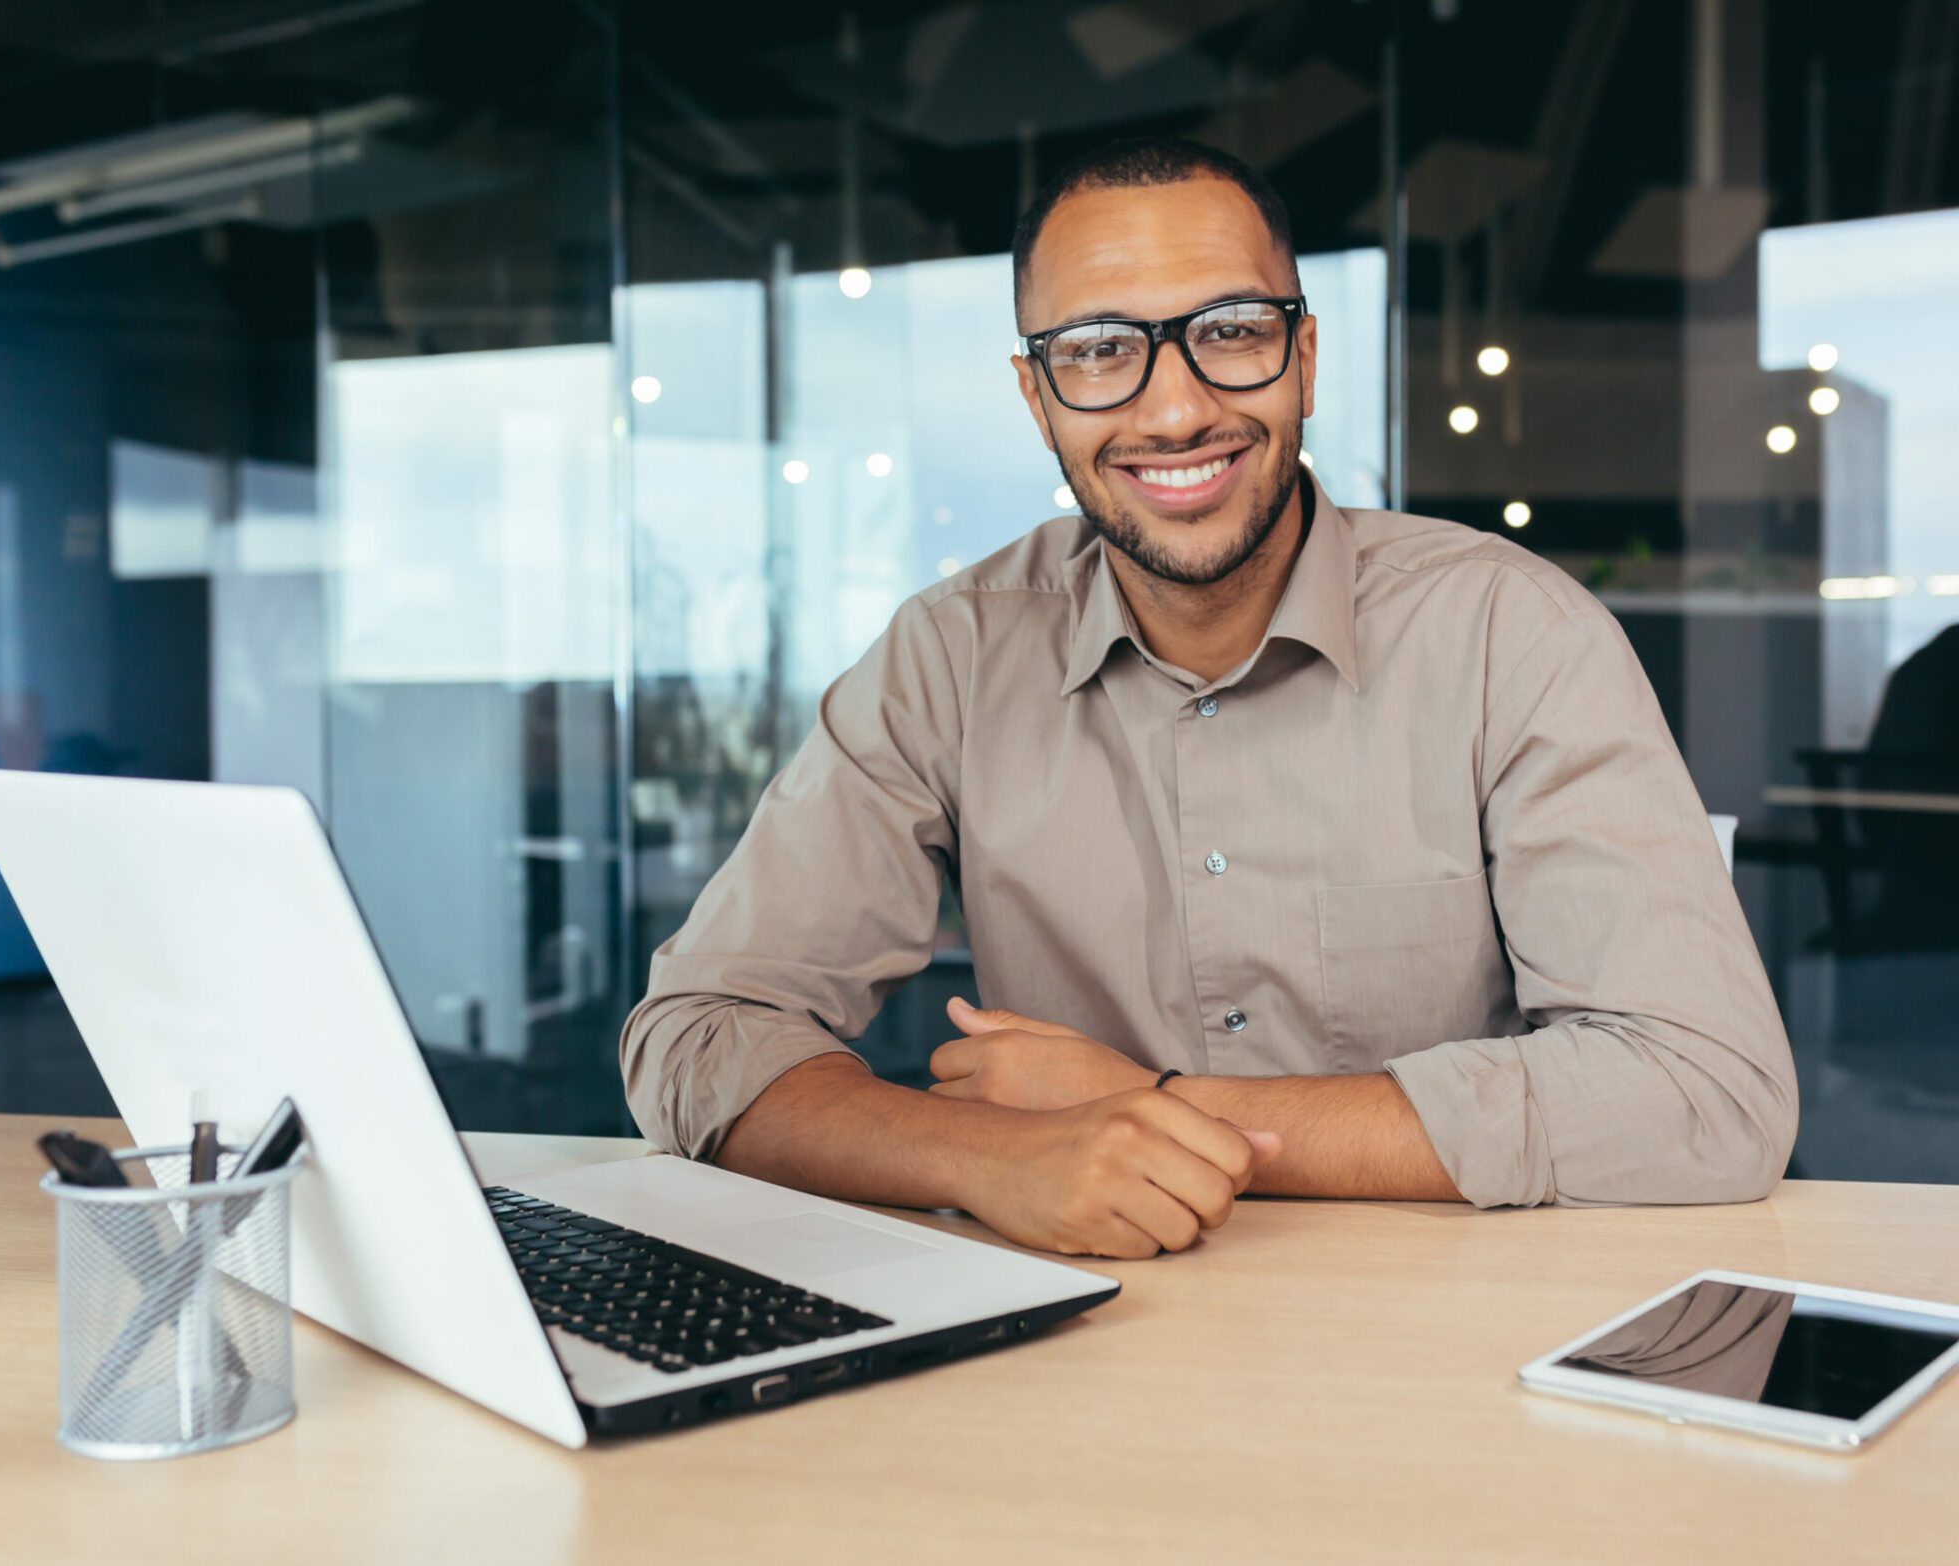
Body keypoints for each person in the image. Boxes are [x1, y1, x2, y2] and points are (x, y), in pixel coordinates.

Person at [620, 137, 1798, 1259]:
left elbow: (1701, 1091)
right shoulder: (950, 655)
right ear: (1036, 399)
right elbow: (696, 1039)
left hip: (1451, 1349)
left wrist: (1157, 1105)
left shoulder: (1506, 632)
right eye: (1095, 349)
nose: (1175, 410)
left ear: (1305, 359)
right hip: (1077, 1343)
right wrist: (983, 1155)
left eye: (1230, 331)